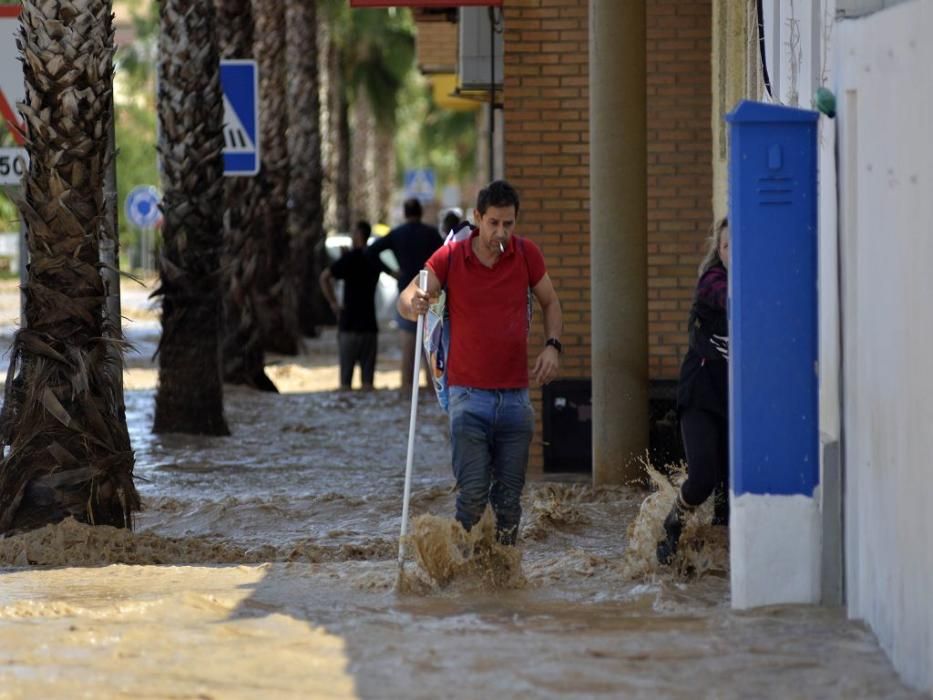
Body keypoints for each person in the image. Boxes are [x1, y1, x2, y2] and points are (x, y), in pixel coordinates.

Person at [398, 180, 563, 545]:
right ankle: (461, 572)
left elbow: (551, 301)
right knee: (472, 494)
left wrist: (553, 346)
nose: (500, 232)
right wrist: (415, 304)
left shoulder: (526, 254)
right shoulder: (452, 257)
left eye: (508, 224)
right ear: (477, 218)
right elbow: (408, 295)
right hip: (467, 397)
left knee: (509, 505)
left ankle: (500, 583)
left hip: (516, 399)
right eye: (493, 223)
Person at [657, 217, 730, 565]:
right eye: (727, 246)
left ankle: (715, 571)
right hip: (701, 393)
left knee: (729, 495)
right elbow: (726, 296)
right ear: (720, 249)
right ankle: (674, 522)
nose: (733, 253)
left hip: (739, 401)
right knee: (703, 477)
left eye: (740, 245)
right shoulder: (712, 281)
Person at [368, 198, 442, 397]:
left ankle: (406, 391)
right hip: (431, 297)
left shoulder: (398, 234)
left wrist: (392, 272)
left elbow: (371, 251)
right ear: (420, 212)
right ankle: (431, 392)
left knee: (408, 350)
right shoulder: (431, 234)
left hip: (407, 299)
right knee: (431, 349)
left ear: (405, 213)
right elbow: (447, 255)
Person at [319, 221, 390, 391]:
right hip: (369, 327)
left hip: (348, 325)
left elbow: (324, 277)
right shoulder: (373, 258)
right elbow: (396, 273)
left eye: (353, 233)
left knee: (345, 385)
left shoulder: (348, 259)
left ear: (358, 235)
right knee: (368, 385)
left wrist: (333, 303)